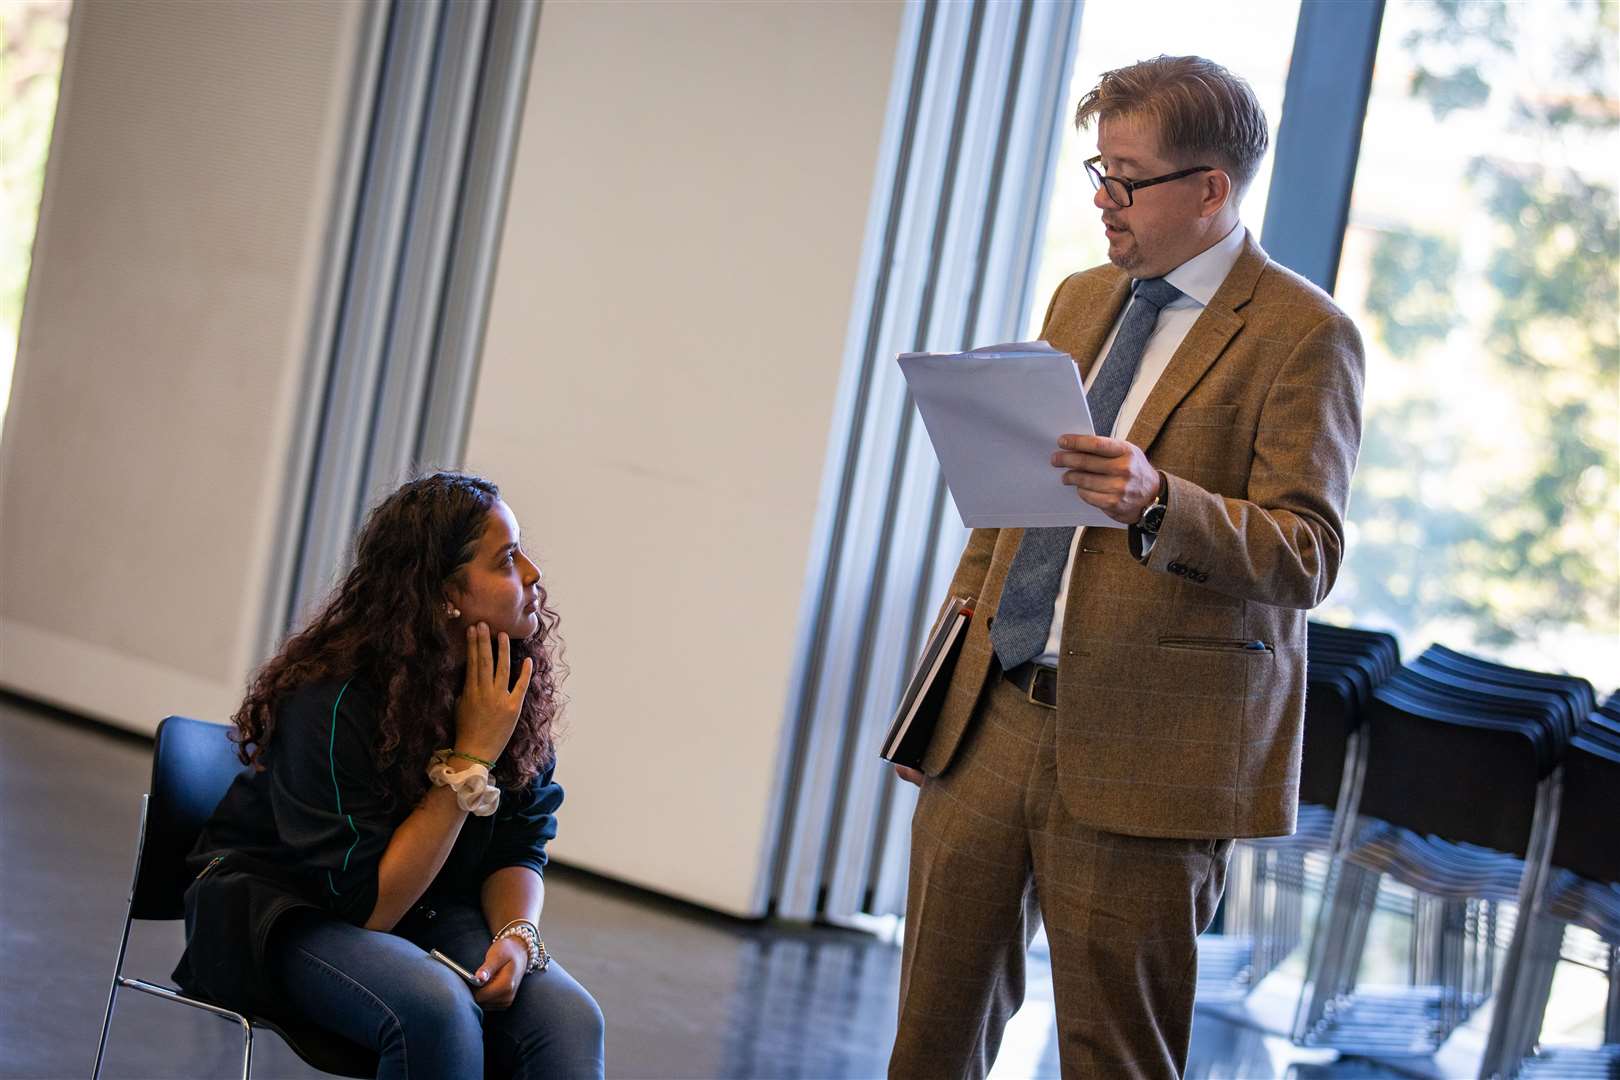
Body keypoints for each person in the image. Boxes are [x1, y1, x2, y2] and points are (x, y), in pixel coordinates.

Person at [888, 56, 1365, 1078]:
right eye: (1098, 171)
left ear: (1209, 190)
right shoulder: (1081, 297)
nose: (1104, 200)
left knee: (1115, 1057)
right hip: (993, 716)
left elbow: (1308, 554)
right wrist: (937, 692)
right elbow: (1003, 514)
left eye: (1129, 179)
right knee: (929, 1040)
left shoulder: (1305, 335)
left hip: (1153, 747)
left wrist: (1159, 502)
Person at [174, 472, 605, 1079]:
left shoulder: (508, 680)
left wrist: (516, 934)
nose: (533, 574)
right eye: (506, 559)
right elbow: (365, 905)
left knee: (568, 1017)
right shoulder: (334, 697)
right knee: (435, 1007)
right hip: (287, 912)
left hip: (425, 905)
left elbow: (521, 842)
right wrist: (469, 761)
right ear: (444, 595)